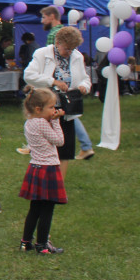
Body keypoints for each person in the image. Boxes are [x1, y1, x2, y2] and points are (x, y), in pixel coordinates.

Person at [23, 26, 91, 179]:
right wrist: (53, 81)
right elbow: (29, 76)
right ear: (57, 43)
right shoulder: (42, 54)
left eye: (73, 49)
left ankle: (59, 185)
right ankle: (42, 181)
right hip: (45, 107)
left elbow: (85, 78)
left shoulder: (77, 57)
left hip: (67, 108)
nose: (69, 52)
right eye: (67, 48)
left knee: (65, 148)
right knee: (44, 147)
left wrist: (84, 87)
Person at [18, 86, 67, 255]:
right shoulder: (41, 123)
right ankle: (42, 244)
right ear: (38, 109)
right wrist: (55, 121)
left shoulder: (29, 123)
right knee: (47, 209)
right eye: (51, 107)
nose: (54, 110)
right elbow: (59, 141)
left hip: (35, 167)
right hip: (48, 168)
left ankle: (26, 242)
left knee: (35, 208)